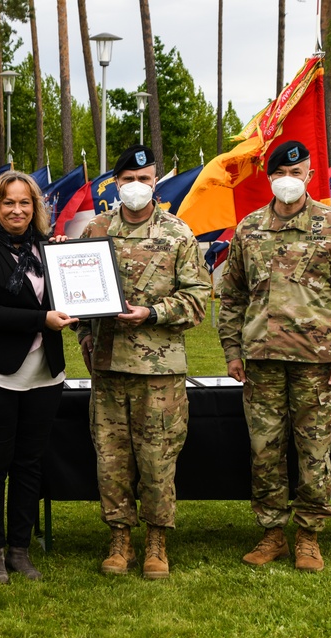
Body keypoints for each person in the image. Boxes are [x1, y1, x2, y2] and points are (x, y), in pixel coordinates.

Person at [218, 140, 331, 573]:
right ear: (271, 177)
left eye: (300, 172)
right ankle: (272, 533)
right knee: (264, 449)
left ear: (310, 176)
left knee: (313, 450)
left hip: (316, 365)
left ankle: (308, 536)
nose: (291, 179)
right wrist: (232, 349)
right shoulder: (249, 228)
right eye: (283, 173)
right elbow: (230, 295)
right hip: (261, 362)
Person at [76, 145, 209, 580]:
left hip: (160, 372)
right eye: (129, 180)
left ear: (157, 183)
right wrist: (83, 336)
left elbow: (198, 299)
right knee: (111, 458)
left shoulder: (177, 234)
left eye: (146, 179)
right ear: (115, 183)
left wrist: (151, 313)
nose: (138, 187)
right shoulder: (96, 229)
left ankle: (156, 540)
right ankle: (119, 538)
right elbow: (75, 287)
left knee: (157, 458)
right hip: (109, 366)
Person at [0, 171, 77, 584]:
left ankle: (20, 550)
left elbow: (73, 298)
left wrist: (69, 269)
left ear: (36, 207)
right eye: (9, 203)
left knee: (30, 463)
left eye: (25, 203)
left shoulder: (48, 249)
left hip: (43, 372)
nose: (17, 210)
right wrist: (42, 318)